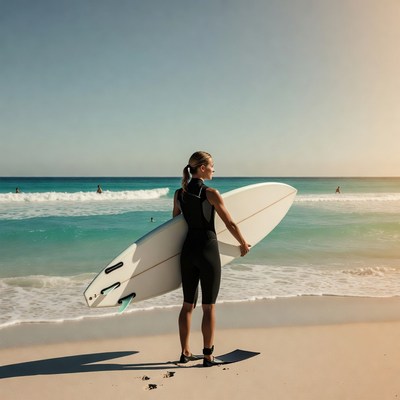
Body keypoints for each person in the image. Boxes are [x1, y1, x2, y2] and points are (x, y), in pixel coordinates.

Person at [173, 151, 251, 367]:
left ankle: (185, 352)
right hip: (207, 250)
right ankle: (208, 356)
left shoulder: (179, 193)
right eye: (212, 166)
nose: (214, 170)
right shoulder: (211, 193)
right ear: (203, 168)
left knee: (187, 304)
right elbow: (230, 223)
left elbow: (174, 225)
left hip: (187, 251)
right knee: (209, 307)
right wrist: (243, 243)